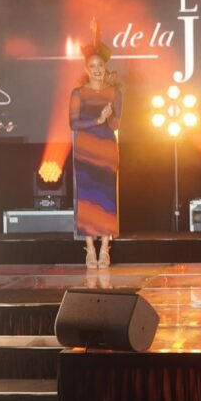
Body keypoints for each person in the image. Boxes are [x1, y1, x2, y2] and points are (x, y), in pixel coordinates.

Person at [69, 22, 122, 269]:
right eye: (92, 66)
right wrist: (97, 120)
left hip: (107, 151)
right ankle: (90, 249)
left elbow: (117, 123)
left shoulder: (114, 92)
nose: (97, 70)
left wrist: (108, 118)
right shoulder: (78, 93)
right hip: (85, 151)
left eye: (100, 65)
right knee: (88, 200)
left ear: (105, 67)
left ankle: (105, 249)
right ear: (86, 69)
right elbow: (73, 123)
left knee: (106, 199)